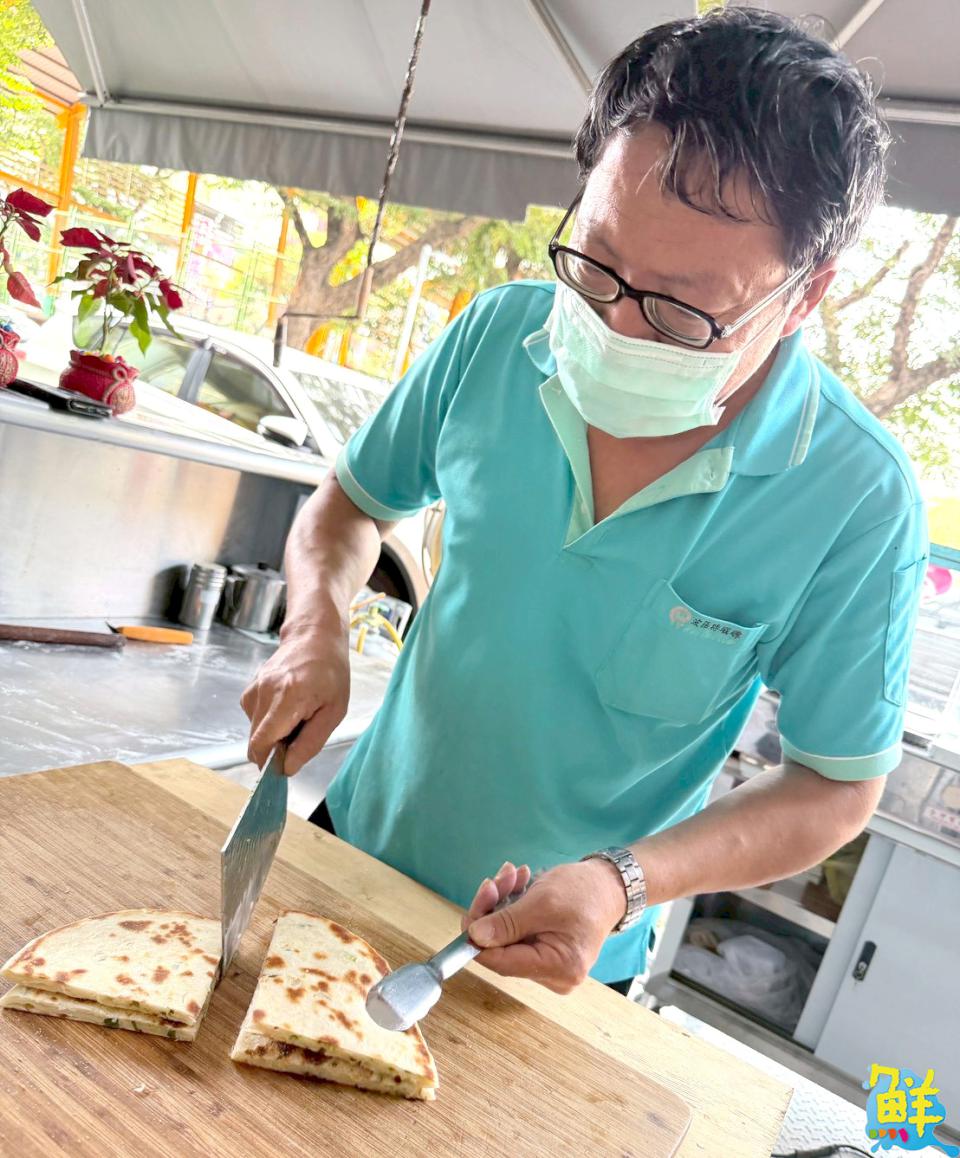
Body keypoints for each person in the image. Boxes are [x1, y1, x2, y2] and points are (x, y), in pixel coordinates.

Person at [242, 8, 927, 996]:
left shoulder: (854, 497)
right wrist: (317, 629)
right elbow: (349, 506)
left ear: (805, 293)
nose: (613, 324)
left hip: (555, 956)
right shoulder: (499, 337)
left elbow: (834, 786)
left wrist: (624, 881)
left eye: (683, 309)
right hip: (349, 853)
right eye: (598, 261)